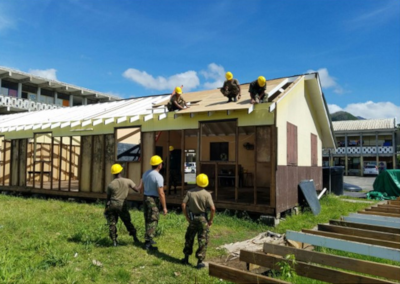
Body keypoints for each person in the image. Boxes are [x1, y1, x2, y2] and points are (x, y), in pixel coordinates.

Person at [181, 173, 215, 269]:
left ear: (197, 181)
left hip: (192, 218)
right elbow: (213, 209)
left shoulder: (190, 192)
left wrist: (187, 216)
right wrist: (211, 220)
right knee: (203, 240)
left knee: (189, 238)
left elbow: (183, 204)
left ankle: (186, 258)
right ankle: (200, 262)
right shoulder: (207, 194)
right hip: (203, 219)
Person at [104, 163, 142, 247]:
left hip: (112, 205)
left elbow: (108, 199)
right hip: (122, 205)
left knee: (112, 223)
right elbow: (137, 189)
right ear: (121, 171)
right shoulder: (128, 181)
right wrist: (141, 181)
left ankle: (114, 241)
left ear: (113, 173)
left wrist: (106, 209)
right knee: (127, 221)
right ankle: (135, 237)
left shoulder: (111, 185)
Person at [142, 155, 168, 250]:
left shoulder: (145, 173)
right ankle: (148, 243)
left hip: (145, 197)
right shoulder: (158, 177)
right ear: (159, 165)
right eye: (161, 163)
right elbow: (161, 193)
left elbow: (142, 186)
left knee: (148, 218)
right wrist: (164, 207)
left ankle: (149, 238)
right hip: (153, 198)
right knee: (153, 219)